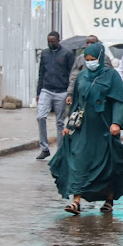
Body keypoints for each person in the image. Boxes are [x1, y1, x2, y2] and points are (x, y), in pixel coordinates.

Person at [50, 43, 123, 215]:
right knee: (78, 161)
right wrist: (69, 126)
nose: (90, 62)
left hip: (105, 128)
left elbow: (120, 100)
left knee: (107, 165)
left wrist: (116, 122)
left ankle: (109, 200)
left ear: (100, 58)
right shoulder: (82, 76)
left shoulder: (111, 76)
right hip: (83, 128)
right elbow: (77, 102)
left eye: (93, 60)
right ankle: (76, 201)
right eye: (87, 60)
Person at [36, 31, 75, 160]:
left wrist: (70, 92)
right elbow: (41, 72)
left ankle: (60, 150)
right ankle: (44, 148)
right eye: (48, 41)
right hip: (46, 90)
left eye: (53, 41)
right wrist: (38, 92)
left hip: (62, 91)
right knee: (41, 116)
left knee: (59, 122)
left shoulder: (67, 54)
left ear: (58, 40)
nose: (50, 44)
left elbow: (72, 74)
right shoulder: (45, 54)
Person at [66, 35, 113, 106]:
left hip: (99, 96)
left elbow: (109, 77)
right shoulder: (80, 59)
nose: (89, 45)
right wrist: (70, 94)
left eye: (92, 43)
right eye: (87, 42)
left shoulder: (104, 58)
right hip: (82, 94)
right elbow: (73, 78)